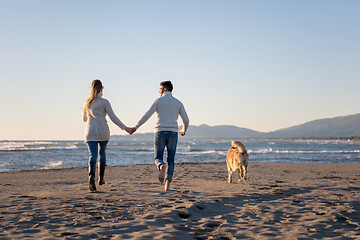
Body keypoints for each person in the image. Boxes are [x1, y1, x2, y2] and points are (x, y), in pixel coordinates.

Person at [129, 81, 189, 191]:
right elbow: (186, 120)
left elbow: (147, 115)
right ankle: (167, 185)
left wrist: (136, 127)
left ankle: (161, 166)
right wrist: (183, 130)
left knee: (158, 157)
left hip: (160, 131)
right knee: (171, 159)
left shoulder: (158, 101)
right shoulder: (178, 103)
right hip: (173, 133)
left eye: (160, 88)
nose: (158, 91)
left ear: (165, 89)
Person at [82, 79, 132, 192]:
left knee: (92, 155)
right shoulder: (105, 102)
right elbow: (113, 118)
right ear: (101, 89)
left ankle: (91, 177)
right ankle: (101, 179)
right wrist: (125, 128)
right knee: (102, 153)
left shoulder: (87, 102)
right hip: (103, 131)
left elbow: (84, 119)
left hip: (90, 133)